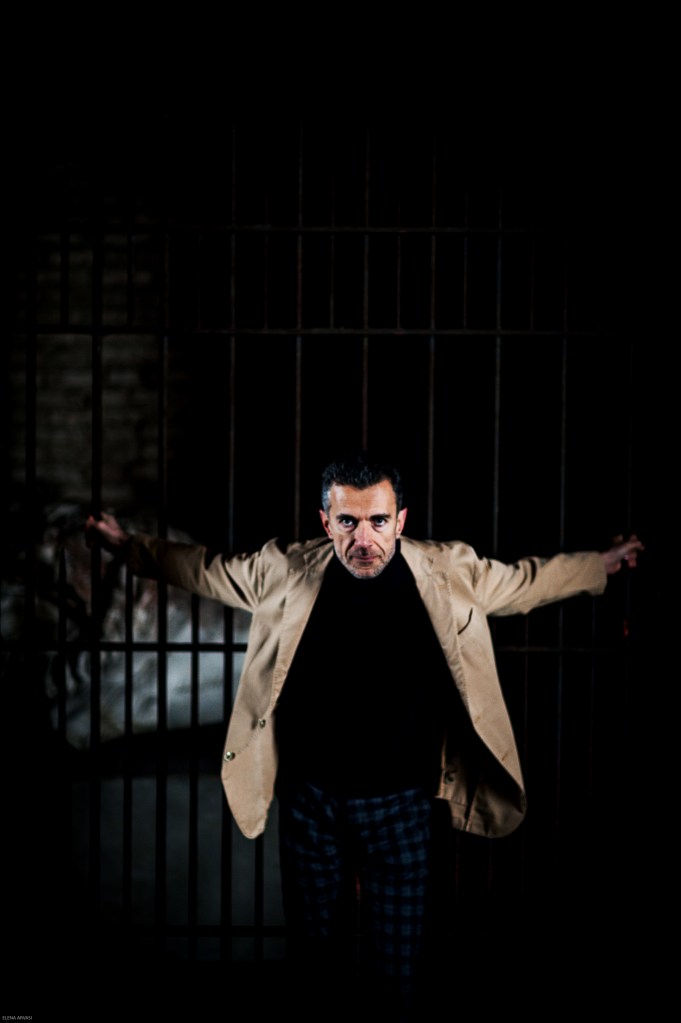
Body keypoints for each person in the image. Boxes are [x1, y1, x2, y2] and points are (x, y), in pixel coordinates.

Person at [85, 453, 643, 1016]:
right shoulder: (285, 569)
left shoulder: (447, 571)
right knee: (314, 964)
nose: (364, 539)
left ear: (400, 520)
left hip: (402, 805)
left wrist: (600, 564)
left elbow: (525, 581)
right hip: (311, 802)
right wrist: (126, 545)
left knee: (396, 971)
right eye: (347, 522)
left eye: (378, 521)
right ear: (326, 522)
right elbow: (202, 568)